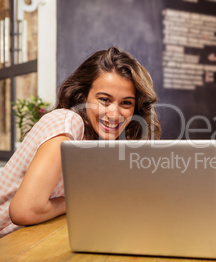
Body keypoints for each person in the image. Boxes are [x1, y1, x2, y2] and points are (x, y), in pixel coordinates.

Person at [0, 46, 161, 237]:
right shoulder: (68, 121)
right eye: (104, 100)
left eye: (126, 103)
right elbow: (24, 211)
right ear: (83, 96)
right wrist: (80, 200)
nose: (114, 114)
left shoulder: (98, 142)